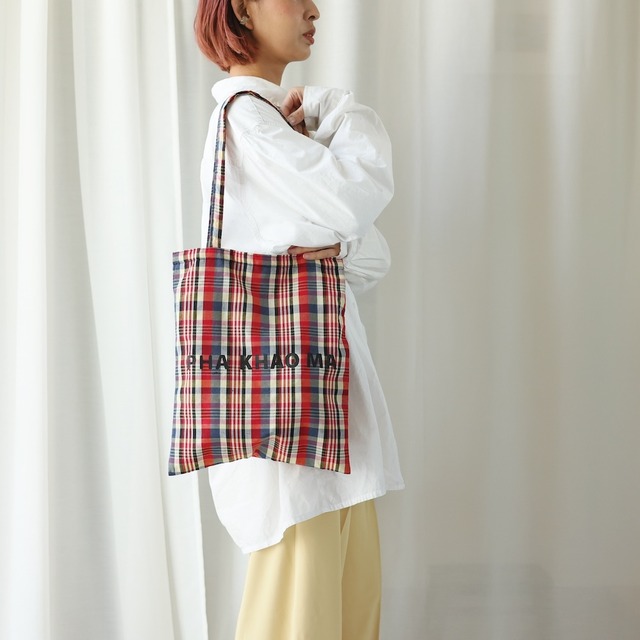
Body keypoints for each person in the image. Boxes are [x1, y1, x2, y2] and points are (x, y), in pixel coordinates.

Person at [194, 0, 404, 637]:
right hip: (296, 444)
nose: (314, 9)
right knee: (301, 620)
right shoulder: (247, 122)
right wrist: (335, 108)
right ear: (241, 9)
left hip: (328, 429)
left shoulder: (275, 133)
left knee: (339, 618)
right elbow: (358, 193)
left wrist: (340, 243)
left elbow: (371, 256)